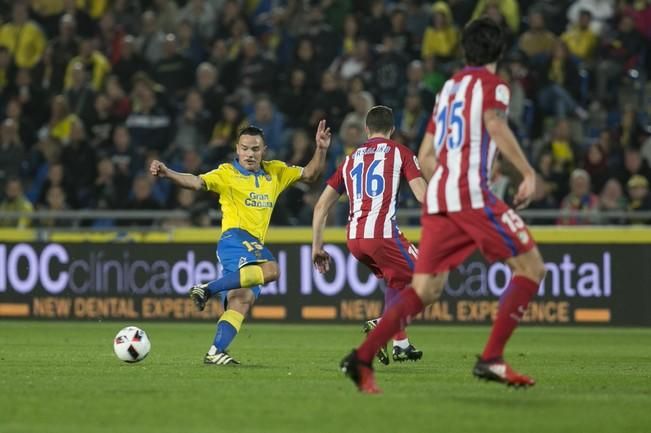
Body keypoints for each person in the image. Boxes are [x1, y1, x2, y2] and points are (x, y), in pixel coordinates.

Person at [340, 18, 546, 394]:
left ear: (464, 50)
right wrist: (527, 172)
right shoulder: (493, 86)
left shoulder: (450, 88)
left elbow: (427, 156)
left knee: (424, 290)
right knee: (531, 267)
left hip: (441, 198)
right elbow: (495, 126)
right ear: (498, 52)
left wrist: (449, 181)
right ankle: (491, 358)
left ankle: (363, 357)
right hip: (471, 194)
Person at [150, 124, 330, 365]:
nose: (250, 154)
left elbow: (310, 174)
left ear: (264, 150)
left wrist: (320, 149)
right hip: (234, 238)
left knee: (241, 300)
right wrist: (168, 173)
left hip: (251, 245)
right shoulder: (226, 173)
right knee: (272, 270)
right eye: (244, 148)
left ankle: (215, 351)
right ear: (237, 149)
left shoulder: (275, 172)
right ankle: (206, 288)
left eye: (255, 149)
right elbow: (195, 182)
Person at [311, 105, 427, 365]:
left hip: (354, 239)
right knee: (429, 279)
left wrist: (316, 247)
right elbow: (422, 195)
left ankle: (401, 344)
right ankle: (382, 325)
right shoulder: (400, 152)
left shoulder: (350, 159)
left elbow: (320, 206)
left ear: (366, 129)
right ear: (393, 129)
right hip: (382, 234)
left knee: (396, 282)